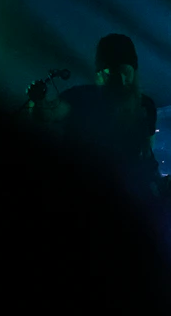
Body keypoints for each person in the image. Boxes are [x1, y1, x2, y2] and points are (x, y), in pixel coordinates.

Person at [26, 33, 158, 196]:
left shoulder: (145, 105)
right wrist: (38, 100)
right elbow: (47, 114)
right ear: (101, 74)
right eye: (115, 73)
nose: (122, 80)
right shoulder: (80, 97)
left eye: (126, 71)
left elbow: (147, 152)